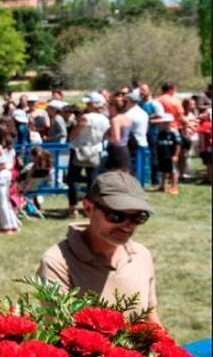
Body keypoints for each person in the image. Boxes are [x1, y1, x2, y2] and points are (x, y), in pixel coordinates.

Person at [37, 171, 158, 322]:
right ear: (88, 208)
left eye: (138, 217)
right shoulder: (57, 263)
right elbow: (60, 336)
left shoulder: (141, 255)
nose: (127, 227)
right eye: (116, 216)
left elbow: (151, 321)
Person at [67, 93, 111, 217]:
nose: (87, 105)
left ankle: (73, 206)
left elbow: (74, 134)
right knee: (92, 181)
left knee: (72, 179)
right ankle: (90, 208)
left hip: (80, 150)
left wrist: (70, 139)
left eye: (89, 103)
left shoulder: (85, 118)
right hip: (96, 150)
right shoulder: (105, 119)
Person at [152, 112, 185, 195]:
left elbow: (178, 144)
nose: (162, 125)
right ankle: (162, 186)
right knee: (163, 170)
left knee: (173, 171)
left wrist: (176, 155)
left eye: (164, 123)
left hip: (171, 155)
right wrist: (156, 155)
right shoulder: (160, 133)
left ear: (169, 123)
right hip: (162, 154)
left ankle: (174, 187)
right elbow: (156, 145)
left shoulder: (174, 132)